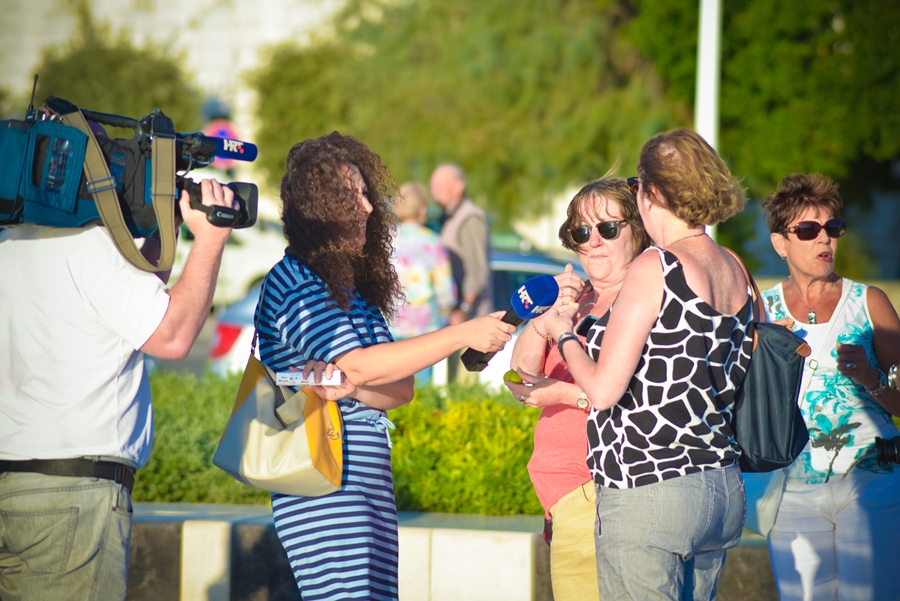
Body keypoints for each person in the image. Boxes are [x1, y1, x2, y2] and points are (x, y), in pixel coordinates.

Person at [257, 132, 515, 600]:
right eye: (351, 195)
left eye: (365, 191)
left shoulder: (350, 288)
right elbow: (361, 365)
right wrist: (459, 334)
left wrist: (352, 384)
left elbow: (400, 390)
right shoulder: (298, 281)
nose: (370, 207)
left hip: (364, 487)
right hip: (323, 488)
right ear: (320, 209)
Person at [541, 128, 753, 600]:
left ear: (653, 191)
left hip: (651, 486)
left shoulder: (657, 266)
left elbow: (602, 391)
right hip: (720, 485)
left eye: (638, 187)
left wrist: (562, 332)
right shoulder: (733, 266)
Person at [0, 178, 235, 600]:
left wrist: (168, 229)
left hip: (12, 483)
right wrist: (212, 239)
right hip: (72, 499)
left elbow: (129, 305)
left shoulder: (11, 240)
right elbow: (173, 337)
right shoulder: (89, 244)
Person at [504, 176, 651, 601]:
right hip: (564, 496)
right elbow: (519, 374)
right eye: (581, 232)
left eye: (608, 228)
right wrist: (547, 318)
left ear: (636, 231)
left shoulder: (640, 297)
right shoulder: (581, 299)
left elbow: (642, 395)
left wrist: (564, 395)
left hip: (601, 489)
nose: (595, 242)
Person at [760, 173, 900, 600]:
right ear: (780, 243)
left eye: (832, 228)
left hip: (871, 481)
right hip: (793, 490)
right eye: (808, 230)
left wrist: (870, 379)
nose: (825, 239)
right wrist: (768, 357)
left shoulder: (869, 301)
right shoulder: (761, 312)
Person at [389, 182, 457, 384]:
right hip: (423, 323)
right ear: (422, 209)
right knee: (419, 386)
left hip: (389, 320)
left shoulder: (384, 239)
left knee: (391, 380)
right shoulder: (433, 241)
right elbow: (446, 292)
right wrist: (445, 312)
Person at [430, 164, 492, 324]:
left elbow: (477, 271)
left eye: (440, 185)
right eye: (433, 185)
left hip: (472, 320)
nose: (435, 190)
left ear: (459, 186)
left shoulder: (470, 218)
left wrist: (464, 309)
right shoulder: (450, 216)